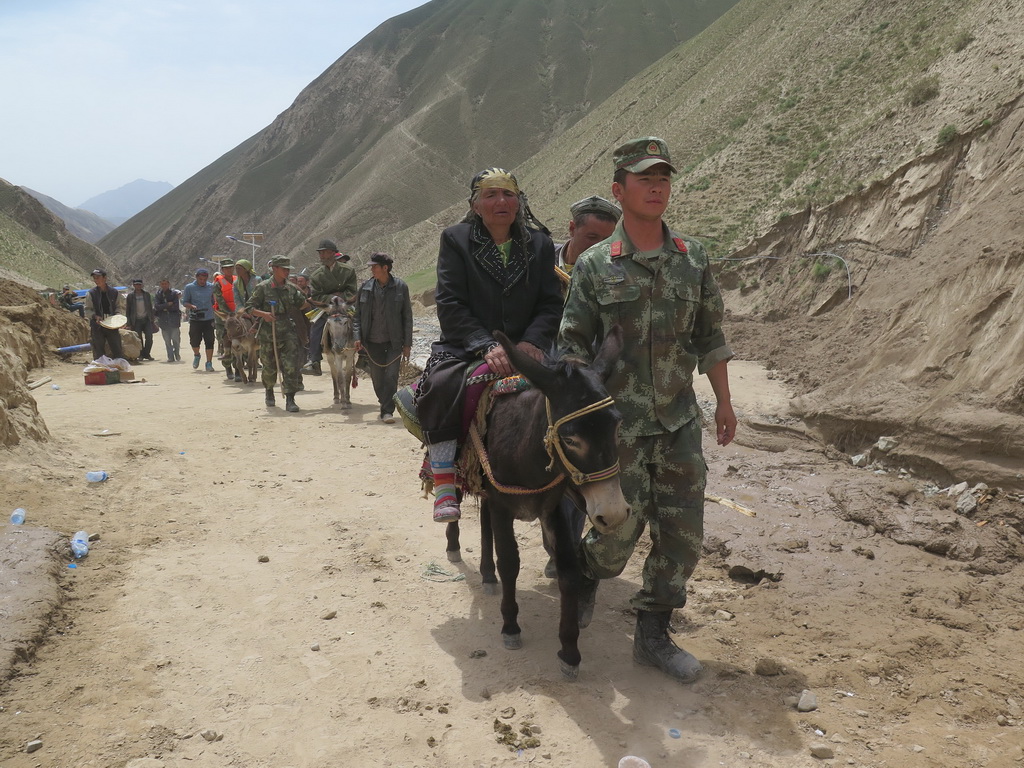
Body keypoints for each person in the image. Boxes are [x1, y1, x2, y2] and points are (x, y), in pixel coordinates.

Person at [558, 137, 737, 684]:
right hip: (620, 429)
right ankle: (587, 573)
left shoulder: (693, 258)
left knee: (684, 533)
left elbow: (710, 336)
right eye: (644, 178)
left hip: (679, 420)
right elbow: (571, 348)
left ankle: (654, 633)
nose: (657, 186)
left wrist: (725, 402)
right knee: (615, 535)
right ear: (620, 190)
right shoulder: (594, 266)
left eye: (663, 177)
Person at [417, 167, 562, 522]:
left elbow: (549, 303)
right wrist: (485, 345)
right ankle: (445, 481)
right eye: (491, 195)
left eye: (509, 194)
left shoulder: (540, 244)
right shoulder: (456, 239)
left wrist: (531, 342)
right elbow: (450, 302)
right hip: (468, 346)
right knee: (440, 385)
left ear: (519, 202)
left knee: (574, 391)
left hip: (526, 348)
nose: (501, 201)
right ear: (476, 205)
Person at [245, 256, 310, 412]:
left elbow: (303, 304)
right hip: (269, 331)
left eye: (288, 269)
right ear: (274, 269)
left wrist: (312, 300)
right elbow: (249, 308)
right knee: (269, 365)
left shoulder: (291, 288)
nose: (287, 272)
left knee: (291, 365)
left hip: (288, 329)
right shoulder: (263, 287)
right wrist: (264, 314)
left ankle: (290, 399)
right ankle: (269, 391)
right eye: (284, 269)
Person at [354, 253, 413, 423]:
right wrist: (357, 336)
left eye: (374, 266)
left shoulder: (400, 287)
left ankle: (387, 410)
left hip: (394, 341)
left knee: (391, 376)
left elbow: (407, 317)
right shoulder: (365, 287)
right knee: (378, 377)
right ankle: (385, 402)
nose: (371, 269)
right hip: (372, 342)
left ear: (385, 268)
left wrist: (407, 344)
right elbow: (357, 315)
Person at [302, 239, 357, 376]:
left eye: (325, 252)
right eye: (320, 253)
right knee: (316, 326)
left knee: (359, 321)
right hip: (327, 307)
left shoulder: (348, 271)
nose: (322, 256)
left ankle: (364, 357)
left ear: (333, 253)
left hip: (345, 304)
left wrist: (342, 297)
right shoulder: (316, 275)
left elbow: (352, 290)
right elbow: (317, 295)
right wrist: (331, 297)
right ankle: (314, 360)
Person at [557, 195, 621, 272]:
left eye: (606, 240)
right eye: (592, 237)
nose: (599, 246)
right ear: (572, 229)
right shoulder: (544, 257)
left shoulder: (613, 270)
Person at [182, 267, 216, 371]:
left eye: (205, 280)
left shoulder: (211, 287)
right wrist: (191, 306)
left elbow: (215, 301)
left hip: (209, 318)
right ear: (196, 277)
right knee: (194, 341)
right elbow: (185, 302)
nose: (202, 281)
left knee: (210, 341)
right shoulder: (189, 287)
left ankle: (209, 363)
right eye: (200, 279)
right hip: (195, 319)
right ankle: (197, 355)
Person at [86, 268, 124, 359]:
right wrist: (95, 316)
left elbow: (119, 307)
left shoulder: (114, 292)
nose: (96, 280)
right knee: (99, 352)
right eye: (94, 278)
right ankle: (101, 371)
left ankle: (118, 369)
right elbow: (87, 310)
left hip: (112, 325)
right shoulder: (91, 293)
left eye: (98, 277)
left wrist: (118, 315)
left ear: (105, 278)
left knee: (117, 349)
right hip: (97, 326)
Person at [212, 260, 237, 380]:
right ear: (222, 269)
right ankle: (228, 367)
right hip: (223, 316)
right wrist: (228, 313)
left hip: (237, 314)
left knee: (240, 338)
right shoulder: (217, 283)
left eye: (231, 268)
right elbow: (220, 300)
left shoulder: (238, 280)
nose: (229, 270)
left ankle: (239, 368)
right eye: (226, 268)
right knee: (225, 338)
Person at [124, 278, 156, 361]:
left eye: (139, 284)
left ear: (142, 285)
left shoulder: (146, 294)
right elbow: (128, 310)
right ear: (134, 285)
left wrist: (152, 319)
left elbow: (150, 307)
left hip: (146, 319)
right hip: (136, 320)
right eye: (136, 284)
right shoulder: (130, 296)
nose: (138, 286)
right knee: (139, 339)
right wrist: (129, 323)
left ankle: (147, 354)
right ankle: (141, 355)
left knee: (149, 337)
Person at [153, 278, 182, 362]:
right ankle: (170, 356)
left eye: (165, 284)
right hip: (163, 321)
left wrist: (164, 307)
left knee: (175, 339)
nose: (164, 285)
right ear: (160, 285)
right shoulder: (158, 295)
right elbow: (157, 306)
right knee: (167, 340)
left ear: (168, 284)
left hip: (174, 320)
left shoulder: (174, 294)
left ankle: (177, 353)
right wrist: (167, 304)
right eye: (162, 284)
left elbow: (175, 307)